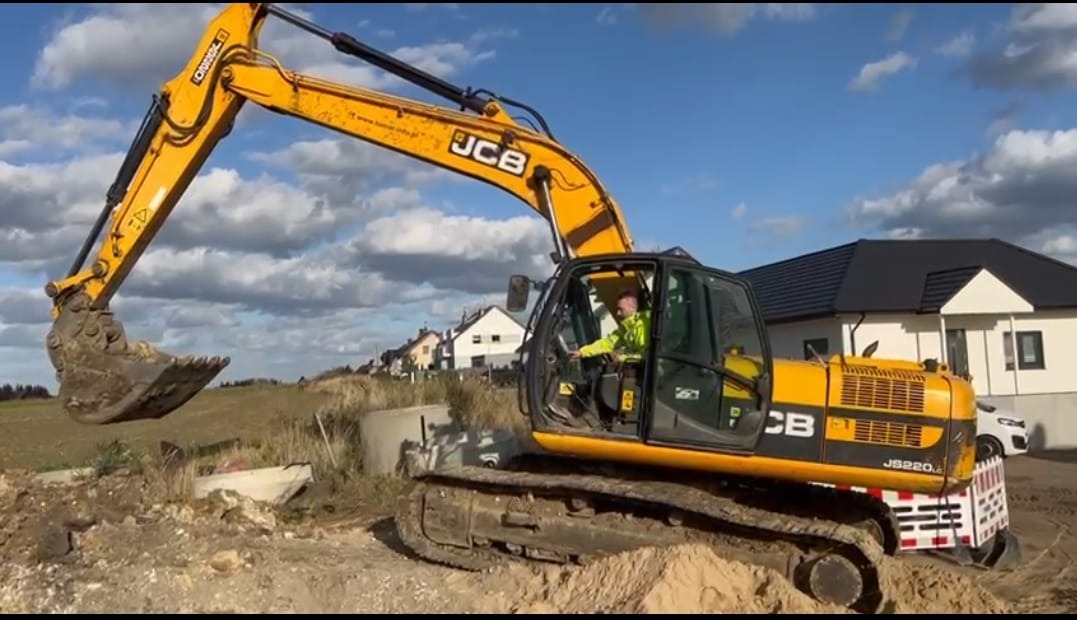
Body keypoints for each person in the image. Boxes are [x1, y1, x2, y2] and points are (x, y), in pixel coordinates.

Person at [570, 289, 651, 363]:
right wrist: (582, 352)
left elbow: (646, 356)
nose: (618, 313)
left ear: (631, 308)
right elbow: (608, 343)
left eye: (621, 309)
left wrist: (621, 358)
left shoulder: (645, 323)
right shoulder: (627, 327)